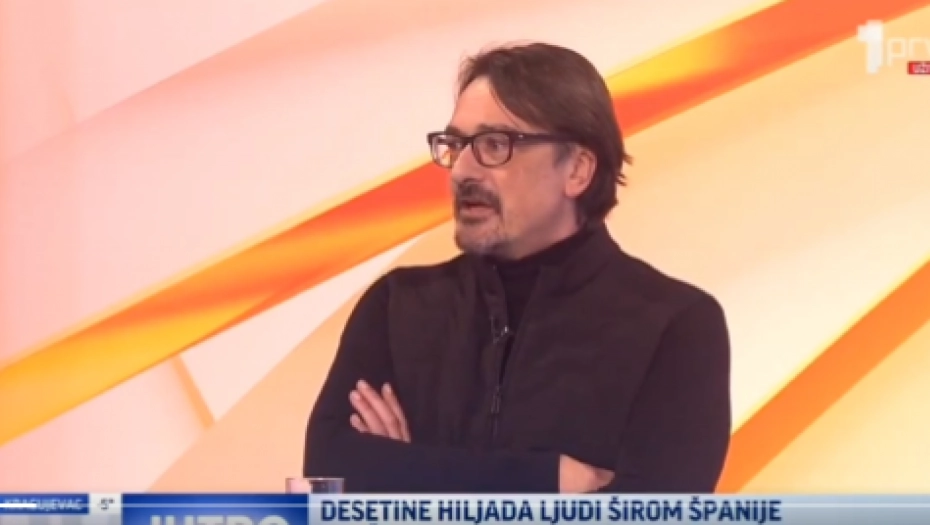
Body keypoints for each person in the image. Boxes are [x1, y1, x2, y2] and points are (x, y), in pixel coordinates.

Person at [303, 42, 731, 493]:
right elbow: (329, 481)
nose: (461, 171)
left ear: (577, 170)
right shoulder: (398, 306)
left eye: (494, 145)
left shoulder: (675, 326)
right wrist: (546, 479)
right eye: (456, 145)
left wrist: (408, 474)